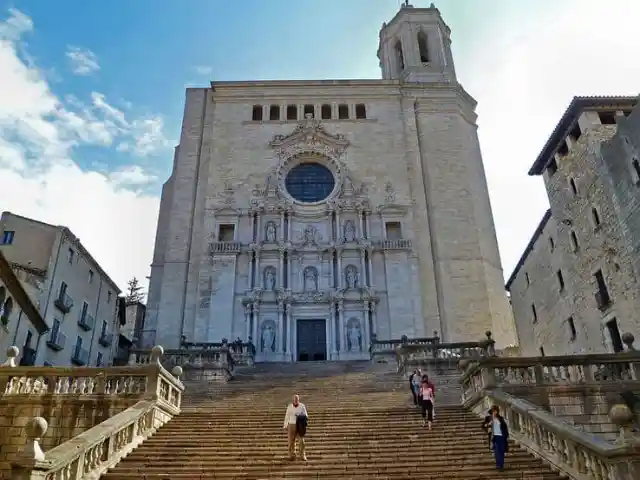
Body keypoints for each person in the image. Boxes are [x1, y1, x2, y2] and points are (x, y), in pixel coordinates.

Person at [283, 394, 308, 461]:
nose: (296, 400)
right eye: (295, 399)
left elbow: (306, 415)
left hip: (300, 425)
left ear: (298, 399)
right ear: (293, 399)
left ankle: (302, 455)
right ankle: (292, 455)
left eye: (297, 399)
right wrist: (285, 425)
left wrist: (300, 416)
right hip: (291, 424)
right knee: (291, 441)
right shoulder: (290, 406)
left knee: (301, 441)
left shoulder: (302, 406)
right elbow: (287, 416)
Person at [489, 405, 509, 470]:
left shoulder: (500, 418)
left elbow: (505, 427)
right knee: (496, 451)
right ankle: (498, 464)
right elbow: (486, 426)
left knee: (501, 451)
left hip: (501, 436)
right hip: (495, 437)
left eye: (495, 411)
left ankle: (501, 465)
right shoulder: (491, 419)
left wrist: (506, 436)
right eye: (493, 411)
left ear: (497, 411)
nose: (494, 412)